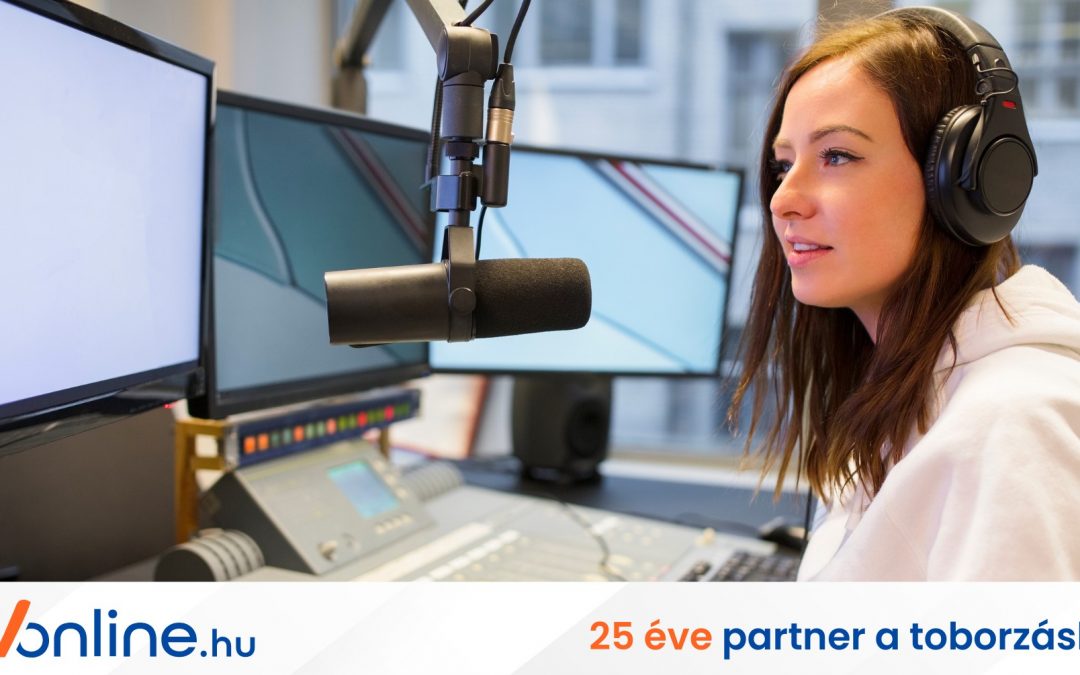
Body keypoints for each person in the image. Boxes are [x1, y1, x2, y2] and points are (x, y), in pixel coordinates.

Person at [729, 7, 1080, 580]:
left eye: (836, 156)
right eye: (783, 164)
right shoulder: (908, 394)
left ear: (964, 179)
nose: (782, 200)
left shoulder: (1013, 426)